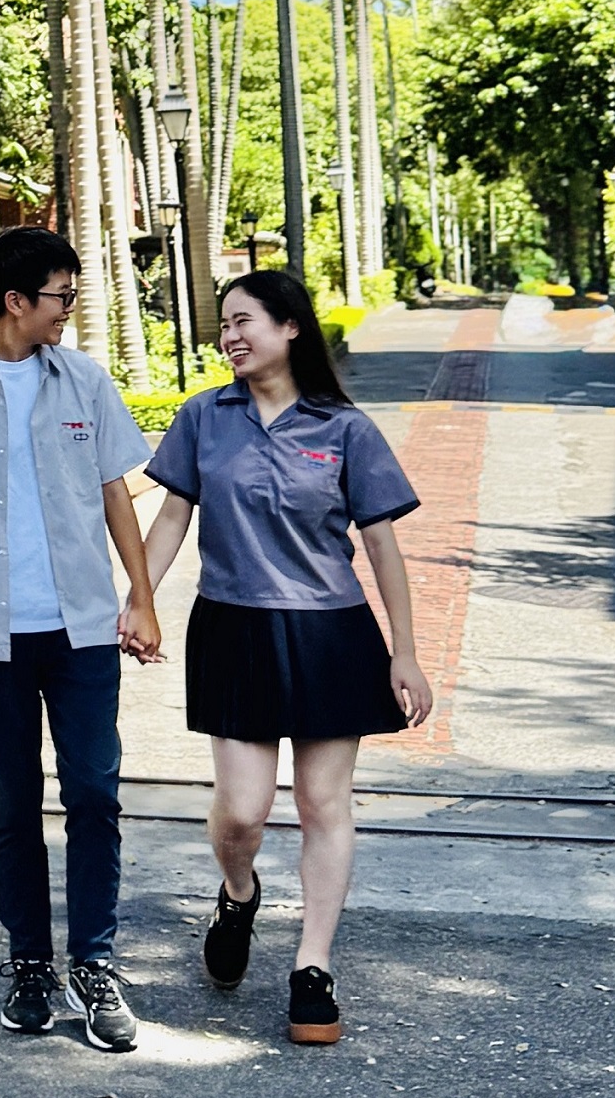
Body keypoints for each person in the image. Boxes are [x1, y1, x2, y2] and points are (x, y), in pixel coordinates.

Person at [141, 268, 432, 1046]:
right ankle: (239, 893)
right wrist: (137, 599)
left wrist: (406, 653)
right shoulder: (205, 417)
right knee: (242, 812)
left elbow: (383, 548)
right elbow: (171, 518)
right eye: (223, 326)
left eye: (244, 321)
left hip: (331, 634)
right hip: (233, 629)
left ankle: (313, 968)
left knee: (321, 805)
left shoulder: (345, 429)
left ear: (290, 327)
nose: (230, 336)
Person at [0, 227, 162, 1052]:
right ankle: (29, 963)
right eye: (60, 296)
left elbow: (118, 493)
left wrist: (141, 598)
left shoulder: (83, 379)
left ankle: (95, 963)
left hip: (82, 630)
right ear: (16, 301)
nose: (68, 310)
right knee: (12, 808)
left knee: (94, 798)